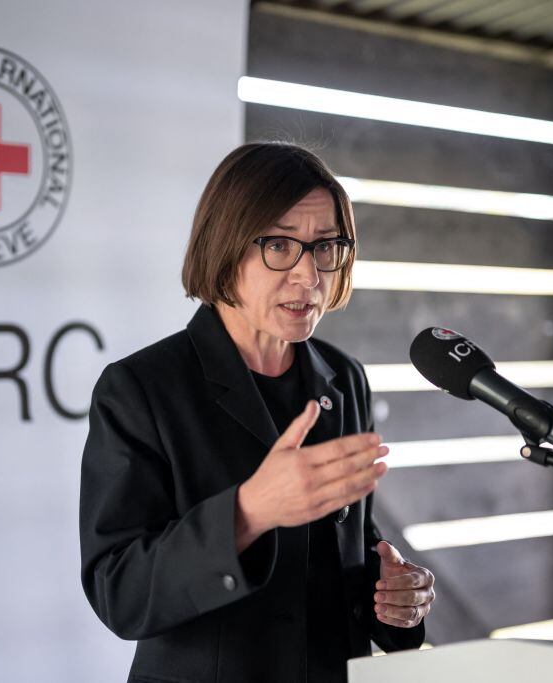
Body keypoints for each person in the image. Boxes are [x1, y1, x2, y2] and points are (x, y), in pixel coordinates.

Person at [79, 142, 436, 682]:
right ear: (224, 245)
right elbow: (121, 593)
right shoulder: (140, 389)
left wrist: (393, 596)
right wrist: (247, 513)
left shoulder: (345, 379)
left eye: (324, 248)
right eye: (278, 245)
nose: (308, 276)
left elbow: (343, 556)